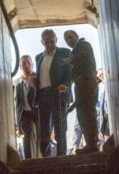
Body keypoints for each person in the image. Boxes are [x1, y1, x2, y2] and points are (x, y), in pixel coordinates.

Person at [34, 29, 72, 157]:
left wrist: (65, 86)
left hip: (58, 93)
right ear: (41, 42)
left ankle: (61, 156)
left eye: (52, 41)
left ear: (56, 39)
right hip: (42, 95)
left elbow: (69, 74)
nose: (50, 44)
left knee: (60, 127)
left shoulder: (65, 52)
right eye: (46, 42)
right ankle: (46, 158)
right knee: (44, 129)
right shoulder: (38, 57)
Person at [63, 30, 98, 154]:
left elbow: (83, 57)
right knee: (83, 114)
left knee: (87, 113)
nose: (68, 40)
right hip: (81, 84)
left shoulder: (83, 45)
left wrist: (69, 60)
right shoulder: (76, 50)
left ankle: (92, 144)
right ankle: (90, 143)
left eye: (70, 37)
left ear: (77, 36)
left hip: (86, 83)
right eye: (66, 39)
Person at [15, 55, 40, 159]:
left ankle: (41, 162)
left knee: (40, 139)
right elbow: (18, 104)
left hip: (38, 113)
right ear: (20, 66)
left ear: (32, 65)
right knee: (28, 134)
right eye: (24, 63)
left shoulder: (38, 78)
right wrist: (18, 122)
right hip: (25, 114)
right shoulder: (18, 83)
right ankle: (29, 161)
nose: (27, 65)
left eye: (29, 63)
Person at [97, 68, 110, 142]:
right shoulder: (101, 89)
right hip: (106, 124)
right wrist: (101, 129)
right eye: (99, 76)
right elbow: (103, 112)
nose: (101, 76)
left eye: (102, 74)